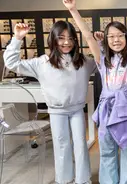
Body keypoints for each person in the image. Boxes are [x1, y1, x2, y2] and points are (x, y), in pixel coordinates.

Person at [62, 0, 127, 183]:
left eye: (120, 35)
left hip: (126, 112)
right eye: (111, 36)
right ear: (106, 39)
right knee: (106, 153)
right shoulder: (102, 60)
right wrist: (73, 9)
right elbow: (88, 36)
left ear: (126, 38)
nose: (116, 40)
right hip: (106, 111)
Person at [4, 21, 96, 184]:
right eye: (61, 38)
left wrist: (100, 44)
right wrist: (17, 38)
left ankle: (83, 180)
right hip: (56, 111)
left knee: (80, 145)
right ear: (53, 39)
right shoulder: (42, 63)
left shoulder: (83, 61)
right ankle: (64, 179)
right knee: (61, 145)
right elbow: (12, 63)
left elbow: (102, 62)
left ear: (75, 40)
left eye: (70, 38)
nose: (66, 42)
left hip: (76, 110)